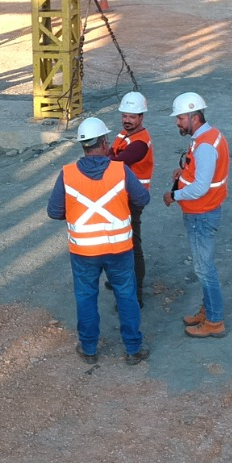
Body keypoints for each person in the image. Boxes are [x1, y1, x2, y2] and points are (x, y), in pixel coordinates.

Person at [48, 116, 149, 364]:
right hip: (119, 249)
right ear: (104, 142)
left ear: (83, 145)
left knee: (86, 297)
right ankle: (133, 349)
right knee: (126, 296)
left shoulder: (68, 174)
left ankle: (90, 349)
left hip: (84, 251)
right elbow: (143, 199)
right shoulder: (120, 170)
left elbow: (54, 211)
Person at [164, 91, 228, 338]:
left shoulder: (205, 147)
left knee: (204, 269)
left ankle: (214, 321)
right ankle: (208, 310)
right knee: (204, 267)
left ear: (194, 116)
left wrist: (174, 196)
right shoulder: (207, 138)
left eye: (180, 118)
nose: (177, 123)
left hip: (202, 214)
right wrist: (182, 172)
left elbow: (201, 187)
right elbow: (199, 173)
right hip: (201, 212)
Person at [109, 91, 155, 303]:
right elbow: (109, 155)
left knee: (133, 246)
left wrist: (110, 158)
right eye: (125, 116)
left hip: (133, 199)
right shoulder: (123, 135)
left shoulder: (139, 143)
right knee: (118, 241)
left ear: (141, 117)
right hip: (121, 196)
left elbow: (114, 161)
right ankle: (121, 278)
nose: (127, 120)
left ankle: (136, 294)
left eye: (132, 117)